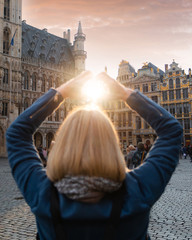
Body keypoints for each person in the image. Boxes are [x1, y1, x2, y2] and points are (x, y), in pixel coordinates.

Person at [6, 71, 183, 240]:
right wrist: (125, 93)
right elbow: (172, 130)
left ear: (62, 145)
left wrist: (61, 92)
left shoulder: (42, 194)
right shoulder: (138, 191)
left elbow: (16, 133)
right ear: (112, 143)